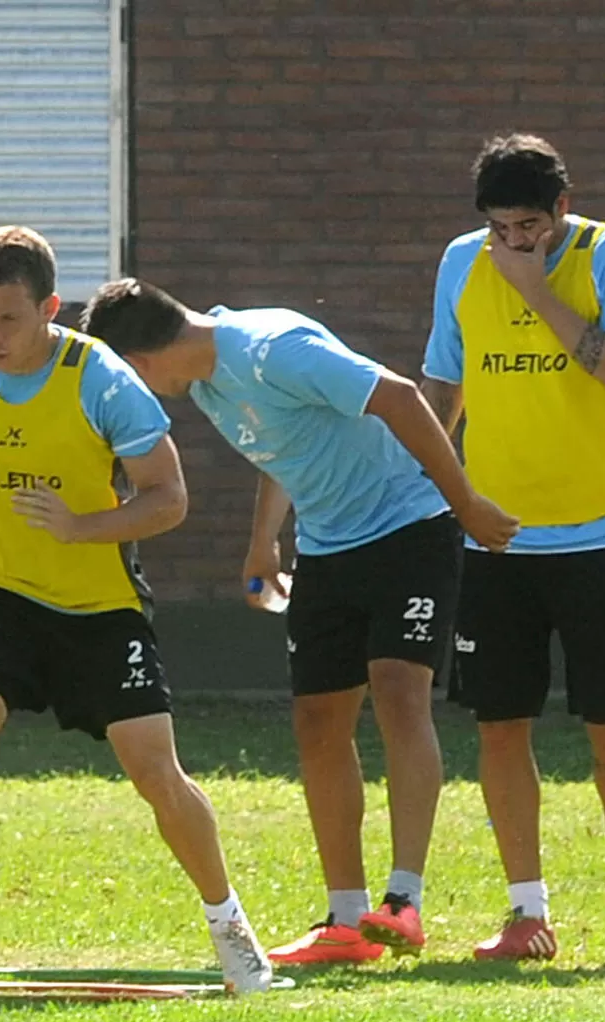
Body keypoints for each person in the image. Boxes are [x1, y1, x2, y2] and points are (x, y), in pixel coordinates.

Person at [81, 279, 519, 965]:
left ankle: (402, 902)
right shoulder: (202, 382)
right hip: (327, 544)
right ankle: (345, 919)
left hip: (410, 526)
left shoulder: (272, 348)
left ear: (136, 362)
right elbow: (281, 445)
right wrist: (264, 539)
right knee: (317, 722)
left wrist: (462, 500)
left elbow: (399, 396)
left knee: (399, 692)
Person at [0, 226, 272, 995]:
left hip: (99, 604)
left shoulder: (99, 377)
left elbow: (168, 499)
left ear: (50, 308)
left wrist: (80, 527)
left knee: (155, 773)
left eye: (9, 319)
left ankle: (230, 928)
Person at [420, 133, 605, 964]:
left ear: (562, 208)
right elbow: (442, 388)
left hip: (599, 532)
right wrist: (436, 489)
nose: (512, 242)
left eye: (528, 225)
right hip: (496, 538)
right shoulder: (461, 261)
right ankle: (526, 912)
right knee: (498, 723)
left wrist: (536, 292)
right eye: (500, 227)